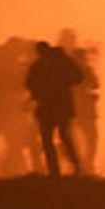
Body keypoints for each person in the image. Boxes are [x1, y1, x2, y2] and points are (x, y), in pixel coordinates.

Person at [24, 40, 84, 177]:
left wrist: (40, 91)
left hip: (47, 106)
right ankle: (75, 166)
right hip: (62, 105)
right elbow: (78, 78)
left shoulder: (39, 65)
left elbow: (29, 83)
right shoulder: (62, 62)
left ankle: (55, 171)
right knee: (63, 137)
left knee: (48, 139)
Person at [59, 28, 100, 174]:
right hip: (78, 107)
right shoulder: (75, 68)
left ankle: (83, 165)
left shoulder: (68, 66)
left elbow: (95, 84)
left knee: (81, 137)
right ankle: (82, 165)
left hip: (78, 107)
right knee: (83, 138)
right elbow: (95, 84)